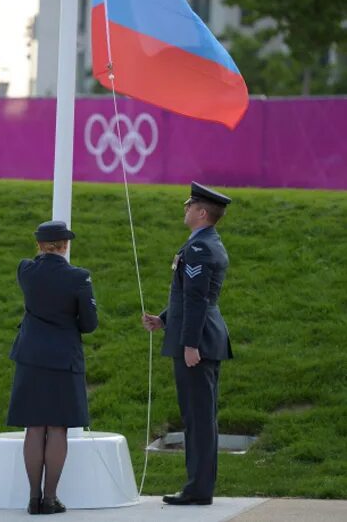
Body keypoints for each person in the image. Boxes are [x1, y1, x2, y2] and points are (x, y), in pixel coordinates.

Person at [142, 182, 233, 506]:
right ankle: (199, 485)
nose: (186, 209)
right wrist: (165, 319)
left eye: (190, 205)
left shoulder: (199, 248)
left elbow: (197, 299)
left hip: (199, 340)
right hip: (201, 334)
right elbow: (188, 295)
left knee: (198, 416)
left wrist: (190, 344)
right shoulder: (205, 243)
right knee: (199, 415)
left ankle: (198, 488)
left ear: (202, 213)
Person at [7, 220, 98, 515]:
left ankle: (33, 498)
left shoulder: (26, 270)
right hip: (62, 358)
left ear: (39, 245)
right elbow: (89, 324)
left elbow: (38, 268)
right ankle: (50, 498)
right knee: (57, 427)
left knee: (34, 427)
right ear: (66, 245)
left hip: (31, 356)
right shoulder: (79, 277)